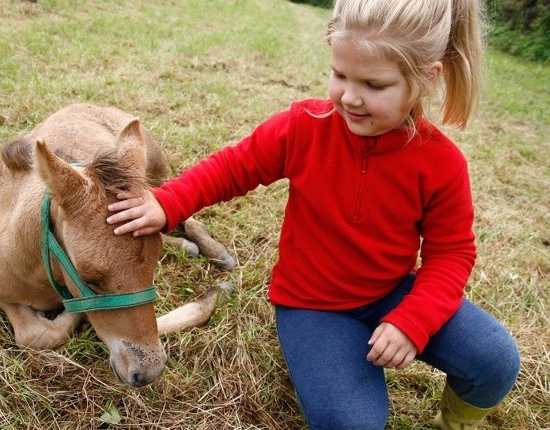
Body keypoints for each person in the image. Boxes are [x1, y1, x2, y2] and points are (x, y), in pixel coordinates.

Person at [106, 0, 520, 428]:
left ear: (426, 80)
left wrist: (413, 320)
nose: (349, 96)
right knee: (350, 423)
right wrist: (168, 202)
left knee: (497, 362)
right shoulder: (306, 125)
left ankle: (454, 421)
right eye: (340, 75)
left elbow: (451, 254)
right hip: (312, 308)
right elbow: (233, 167)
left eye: (374, 85)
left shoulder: (441, 164)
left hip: (392, 292)